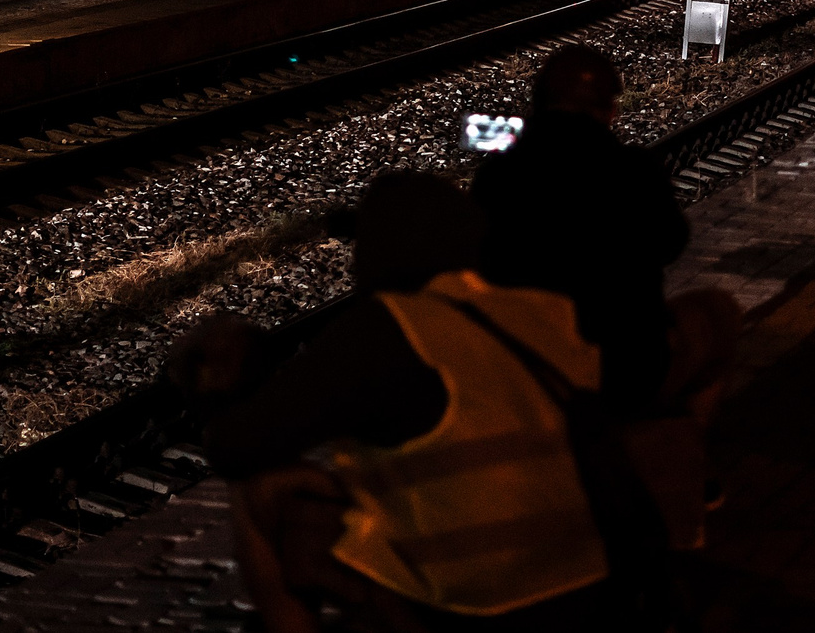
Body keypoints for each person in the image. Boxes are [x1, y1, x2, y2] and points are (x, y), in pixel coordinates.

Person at [167, 172, 634, 633]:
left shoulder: (392, 328)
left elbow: (237, 445)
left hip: (483, 602)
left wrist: (214, 381)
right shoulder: (537, 308)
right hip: (596, 577)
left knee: (259, 490)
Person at [472, 45, 739, 424]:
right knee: (718, 313)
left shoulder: (497, 174)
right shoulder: (633, 170)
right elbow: (670, 242)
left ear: (538, 105)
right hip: (619, 371)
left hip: (524, 363)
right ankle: (672, 457)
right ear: (610, 111)